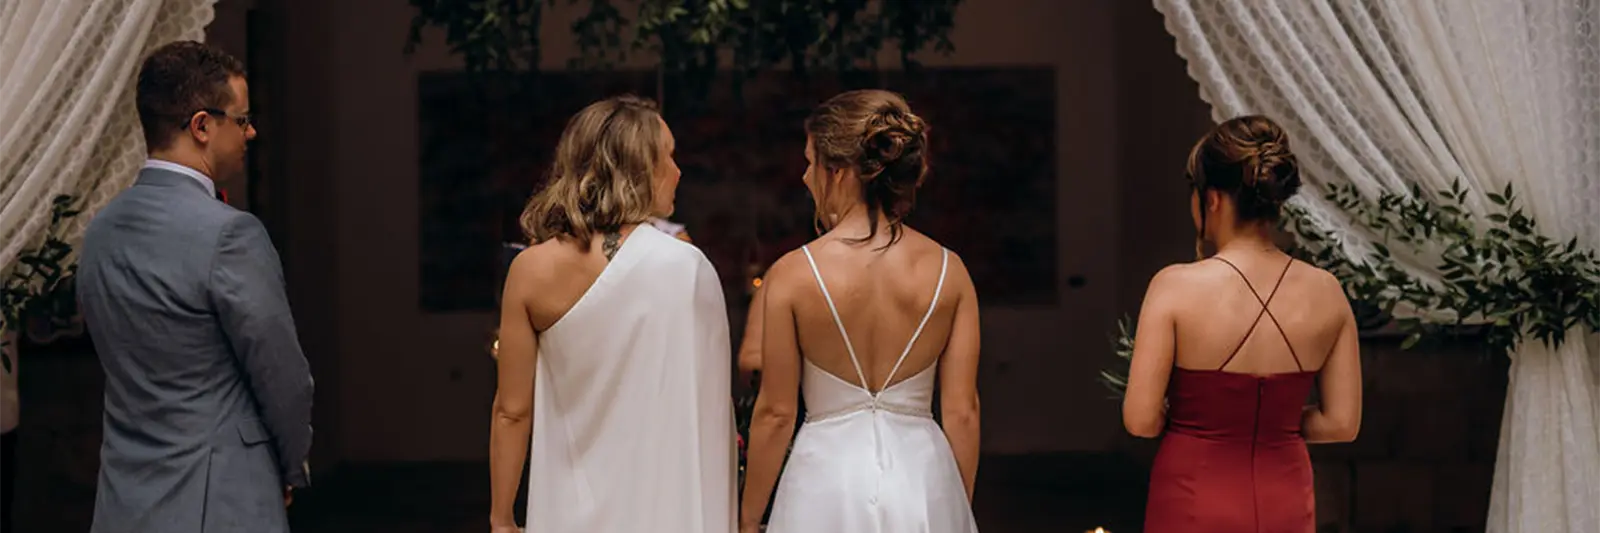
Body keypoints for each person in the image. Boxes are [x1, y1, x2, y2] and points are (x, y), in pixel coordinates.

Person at [78, 41, 313, 533]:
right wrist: (289, 464)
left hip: (125, 500)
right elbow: (283, 376)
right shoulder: (230, 233)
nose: (252, 131)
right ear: (203, 126)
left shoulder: (99, 232)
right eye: (242, 118)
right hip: (222, 496)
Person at [489, 95, 735, 533]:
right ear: (639, 167)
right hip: (664, 511)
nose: (678, 171)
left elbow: (511, 411)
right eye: (669, 156)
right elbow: (712, 416)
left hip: (567, 510)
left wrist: (502, 518)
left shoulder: (530, 271)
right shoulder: (687, 267)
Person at [740, 89, 981, 533]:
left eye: (810, 162)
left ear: (838, 172)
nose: (804, 177)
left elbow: (776, 413)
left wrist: (750, 517)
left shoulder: (793, 274)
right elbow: (962, 411)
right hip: (924, 478)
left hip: (823, 481)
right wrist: (955, 504)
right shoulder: (951, 271)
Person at [1124, 115, 1362, 532]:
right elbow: (1342, 423)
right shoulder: (1327, 292)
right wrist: (1274, 423)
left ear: (1211, 198)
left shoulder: (1174, 287)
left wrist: (1203, 421)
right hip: (1284, 492)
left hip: (1193, 492)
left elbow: (1141, 420)